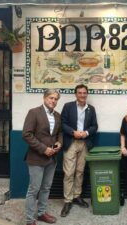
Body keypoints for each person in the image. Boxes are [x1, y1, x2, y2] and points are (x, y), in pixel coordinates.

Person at [22, 89, 62, 225]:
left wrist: (59, 143)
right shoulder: (34, 113)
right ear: (44, 98)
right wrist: (43, 149)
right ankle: (29, 219)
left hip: (52, 158)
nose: (53, 101)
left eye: (56, 99)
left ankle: (41, 213)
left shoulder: (57, 115)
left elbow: (59, 133)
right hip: (36, 158)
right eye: (51, 98)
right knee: (34, 189)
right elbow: (26, 134)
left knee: (46, 187)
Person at [60, 84, 98, 217]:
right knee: (69, 172)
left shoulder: (91, 109)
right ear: (76, 94)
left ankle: (77, 196)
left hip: (84, 143)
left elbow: (94, 126)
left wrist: (86, 133)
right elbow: (62, 123)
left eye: (84, 93)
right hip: (71, 142)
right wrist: (73, 132)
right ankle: (68, 200)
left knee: (80, 172)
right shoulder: (68, 106)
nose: (82, 95)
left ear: (87, 94)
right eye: (80, 93)